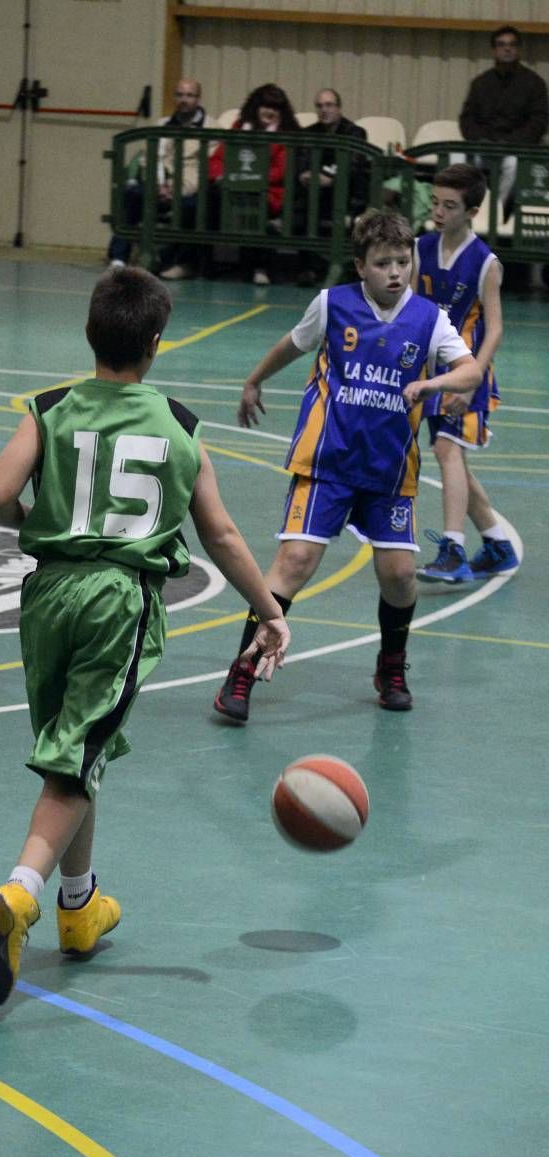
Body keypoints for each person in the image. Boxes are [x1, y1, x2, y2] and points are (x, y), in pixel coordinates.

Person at [0, 267, 290, 1007]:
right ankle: (21, 892)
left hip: (48, 593)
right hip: (121, 599)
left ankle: (78, 908)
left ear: (90, 334)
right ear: (155, 342)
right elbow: (222, 533)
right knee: (76, 751)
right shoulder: (177, 423)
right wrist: (268, 608)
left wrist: (40, 525)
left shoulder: (48, 407)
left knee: (78, 743)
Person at [212, 210, 481, 723]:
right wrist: (253, 380)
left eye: (403, 262)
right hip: (327, 462)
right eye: (383, 263)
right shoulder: (332, 305)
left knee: (399, 574)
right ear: (361, 266)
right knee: (293, 564)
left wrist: (432, 386)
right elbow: (293, 344)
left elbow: (468, 370)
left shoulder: (428, 319)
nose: (395, 272)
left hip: (388, 472)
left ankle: (391, 665)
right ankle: (243, 671)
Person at [412, 164, 518, 582]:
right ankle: (496, 544)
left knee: (446, 451)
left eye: (449, 205)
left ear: (472, 210)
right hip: (433, 373)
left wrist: (474, 374)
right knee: (452, 457)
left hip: (468, 371)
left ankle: (453, 549)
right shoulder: (421, 248)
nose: (439, 211)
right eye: (435, 202)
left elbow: (495, 327)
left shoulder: (484, 262)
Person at [106, 79, 218, 278]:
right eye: (180, 95)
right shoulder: (162, 125)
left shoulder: (213, 129)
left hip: (189, 189)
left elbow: (208, 169)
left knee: (196, 207)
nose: (184, 100)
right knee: (132, 195)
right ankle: (118, 258)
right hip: (158, 186)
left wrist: (177, 190)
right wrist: (158, 185)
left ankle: (181, 262)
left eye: (189, 95)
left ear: (198, 99)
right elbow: (150, 159)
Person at [207, 84, 300, 286]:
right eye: (265, 106)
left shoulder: (286, 133)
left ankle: (259, 266)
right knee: (210, 197)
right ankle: (207, 263)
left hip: (269, 192)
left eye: (275, 108)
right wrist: (221, 175)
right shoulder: (240, 127)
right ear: (255, 107)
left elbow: (281, 170)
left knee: (253, 205)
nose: (270, 111)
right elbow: (218, 158)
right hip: (233, 188)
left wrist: (251, 179)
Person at [459, 25, 548, 213]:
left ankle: (498, 217)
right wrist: (481, 140)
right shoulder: (481, 83)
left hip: (516, 150)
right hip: (483, 147)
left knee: (513, 165)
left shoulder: (534, 83)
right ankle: (466, 214)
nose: (507, 48)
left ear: (518, 49)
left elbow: (538, 122)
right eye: (501, 45)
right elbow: (467, 118)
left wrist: (510, 143)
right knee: (456, 159)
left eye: (512, 44)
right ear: (494, 50)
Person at [295, 88, 369, 287]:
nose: (324, 110)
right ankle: (307, 269)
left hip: (347, 197)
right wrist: (304, 173)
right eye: (319, 106)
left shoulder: (355, 132)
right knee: (300, 210)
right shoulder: (308, 133)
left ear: (338, 108)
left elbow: (353, 166)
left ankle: (340, 269)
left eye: (329, 105)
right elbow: (301, 161)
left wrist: (331, 178)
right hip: (313, 195)